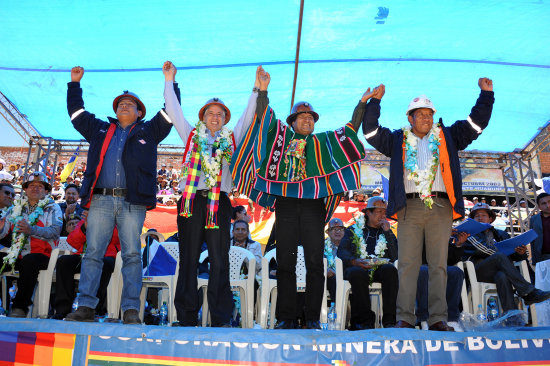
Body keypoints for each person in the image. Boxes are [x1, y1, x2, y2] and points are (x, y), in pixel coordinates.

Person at [232, 66, 368, 329]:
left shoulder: (324, 143)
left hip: (313, 207)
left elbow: (351, 130)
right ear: (292, 121)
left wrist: (362, 103)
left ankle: (312, 318)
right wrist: (263, 90)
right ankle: (287, 317)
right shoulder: (281, 138)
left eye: (311, 117)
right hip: (286, 203)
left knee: (316, 262)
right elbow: (264, 119)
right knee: (285, 261)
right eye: (302, 117)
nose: (307, 120)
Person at [363, 78, 495, 331]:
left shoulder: (448, 136)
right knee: (408, 265)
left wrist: (486, 95)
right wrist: (375, 102)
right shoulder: (396, 140)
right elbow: (369, 132)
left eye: (429, 114)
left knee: (439, 265)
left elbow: (477, 124)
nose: (425, 118)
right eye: (419, 114)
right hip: (408, 207)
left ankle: (437, 319)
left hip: (441, 206)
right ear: (410, 119)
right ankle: (405, 318)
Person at [64, 65, 173, 324]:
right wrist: (74, 83)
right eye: (121, 104)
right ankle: (86, 308)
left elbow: (171, 112)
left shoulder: (150, 131)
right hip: (100, 200)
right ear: (115, 111)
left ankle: (131, 310)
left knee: (133, 255)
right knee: (93, 253)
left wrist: (170, 81)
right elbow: (76, 114)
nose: (124, 106)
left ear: (139, 113)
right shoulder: (99, 129)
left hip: (132, 203)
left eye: (130, 104)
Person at [163, 61, 259, 327]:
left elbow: (247, 118)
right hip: (191, 202)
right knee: (189, 258)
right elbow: (174, 111)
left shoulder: (232, 139)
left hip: (221, 203)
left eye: (220, 114)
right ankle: (186, 316)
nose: (215, 117)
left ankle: (219, 317)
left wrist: (256, 89)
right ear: (203, 117)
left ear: (225, 120)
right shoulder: (191, 136)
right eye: (210, 113)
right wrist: (169, 81)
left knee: (219, 260)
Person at [458, 203, 550, 313]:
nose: (480, 218)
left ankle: (512, 317)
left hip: (499, 271)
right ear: (472, 220)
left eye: (483, 215)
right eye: (476, 216)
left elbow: (514, 255)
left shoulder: (501, 234)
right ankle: (528, 292)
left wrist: (519, 252)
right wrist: (503, 253)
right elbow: (483, 249)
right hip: (477, 272)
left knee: (502, 275)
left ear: (490, 219)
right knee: (499, 256)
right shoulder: (469, 234)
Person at [0, 172, 62, 317]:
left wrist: (31, 230)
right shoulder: (16, 208)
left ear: (46, 191)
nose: (35, 188)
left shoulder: (53, 208)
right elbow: (3, 233)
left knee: (30, 261)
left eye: (40, 186)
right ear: (25, 190)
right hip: (17, 255)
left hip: (44, 256)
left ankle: (20, 308)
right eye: (31, 185)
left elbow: (54, 232)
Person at [337, 196, 398, 329]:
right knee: (357, 273)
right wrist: (354, 261)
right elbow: (342, 252)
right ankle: (365, 320)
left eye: (384, 213)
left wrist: (388, 233)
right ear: (368, 213)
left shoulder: (387, 231)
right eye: (378, 212)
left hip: (378, 269)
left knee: (390, 270)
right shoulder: (353, 229)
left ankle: (389, 321)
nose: (382, 216)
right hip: (357, 267)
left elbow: (395, 256)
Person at [53, 212, 120, 319]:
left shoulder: (115, 219)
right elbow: (72, 241)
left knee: (105, 264)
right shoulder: (85, 220)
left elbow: (117, 237)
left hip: (105, 255)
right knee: (64, 261)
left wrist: (101, 226)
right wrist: (85, 228)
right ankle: (62, 310)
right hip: (83, 256)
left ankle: (94, 308)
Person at [416, 231, 467, 331]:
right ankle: (425, 319)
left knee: (456, 272)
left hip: (440, 266)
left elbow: (451, 260)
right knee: (424, 271)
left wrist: (458, 245)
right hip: (420, 265)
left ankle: (451, 319)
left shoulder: (442, 232)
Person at [324, 218, 346, 302]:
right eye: (334, 229)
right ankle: (337, 309)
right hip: (330, 279)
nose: (337, 232)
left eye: (340, 229)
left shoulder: (349, 245)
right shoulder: (322, 246)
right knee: (334, 280)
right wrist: (326, 270)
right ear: (328, 233)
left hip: (346, 277)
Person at [529, 192, 550, 265]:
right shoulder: (534, 219)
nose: (548, 205)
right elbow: (533, 241)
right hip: (543, 257)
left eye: (549, 202)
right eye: (544, 203)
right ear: (539, 206)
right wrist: (534, 261)